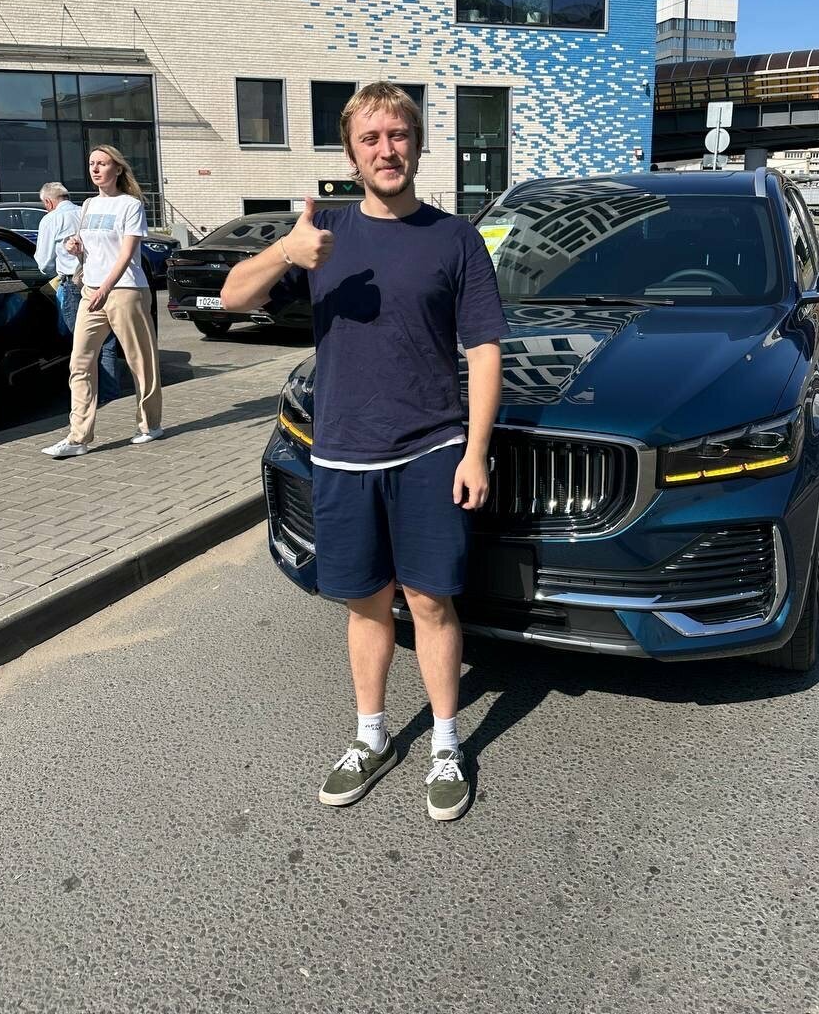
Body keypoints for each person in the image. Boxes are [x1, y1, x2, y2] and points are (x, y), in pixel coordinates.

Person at [221, 83, 507, 821]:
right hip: (344, 452)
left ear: (418, 144)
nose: (387, 149)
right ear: (351, 154)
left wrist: (475, 452)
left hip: (431, 448)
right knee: (365, 603)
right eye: (371, 138)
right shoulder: (322, 234)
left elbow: (484, 350)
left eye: (399, 135)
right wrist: (285, 251)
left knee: (430, 601)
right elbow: (232, 298)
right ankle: (371, 737)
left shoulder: (455, 239)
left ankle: (445, 744)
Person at [41, 147, 163, 459]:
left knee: (140, 362)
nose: (95, 169)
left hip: (125, 290)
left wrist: (106, 287)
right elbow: (90, 250)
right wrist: (76, 247)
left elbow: (127, 253)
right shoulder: (88, 205)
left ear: (117, 169)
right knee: (79, 362)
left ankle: (150, 424)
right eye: (92, 163)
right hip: (90, 290)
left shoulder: (130, 205)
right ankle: (78, 437)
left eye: (103, 163)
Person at [35, 181, 121, 406]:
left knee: (83, 343)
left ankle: (87, 397)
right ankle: (110, 395)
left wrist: (53, 269)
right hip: (99, 281)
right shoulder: (86, 212)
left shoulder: (51, 219)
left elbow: (44, 263)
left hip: (73, 285)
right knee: (107, 340)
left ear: (48, 202)